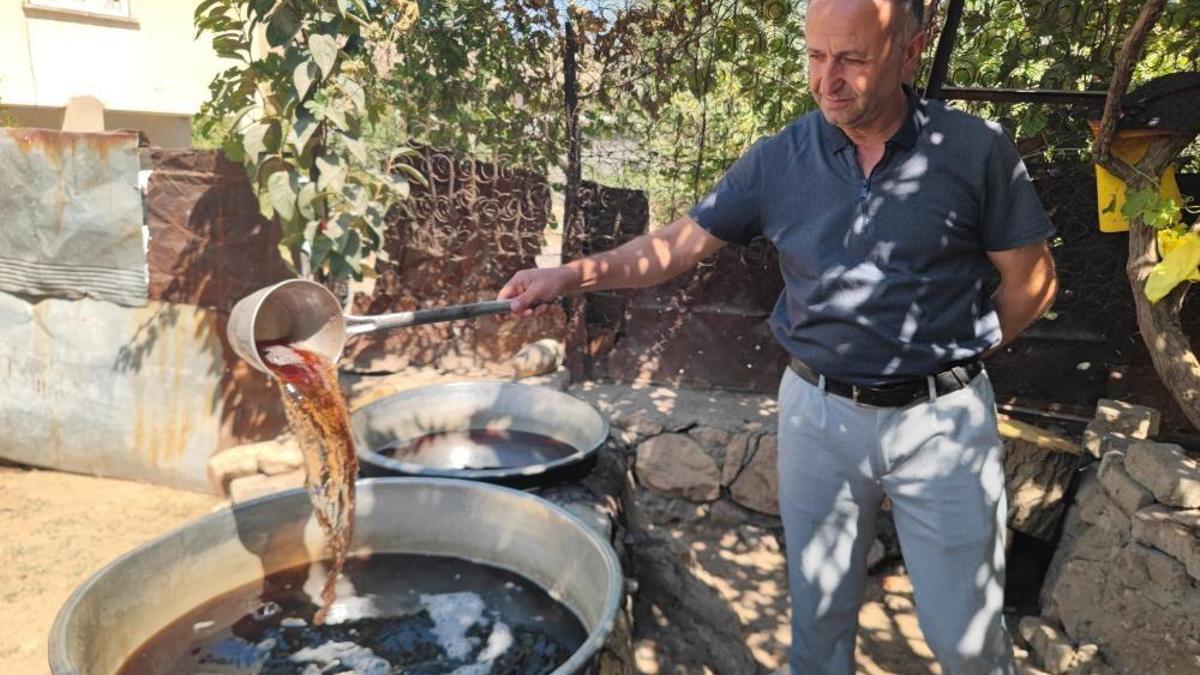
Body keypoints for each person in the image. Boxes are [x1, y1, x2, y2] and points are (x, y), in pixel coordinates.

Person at [498, 0, 1057, 672]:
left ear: (911, 52)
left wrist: (953, 363)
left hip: (942, 423)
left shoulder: (973, 150)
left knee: (965, 640)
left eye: (851, 58)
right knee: (817, 627)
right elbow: (677, 244)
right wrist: (568, 276)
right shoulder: (781, 159)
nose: (828, 78)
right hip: (819, 416)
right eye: (816, 56)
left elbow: (1031, 284)